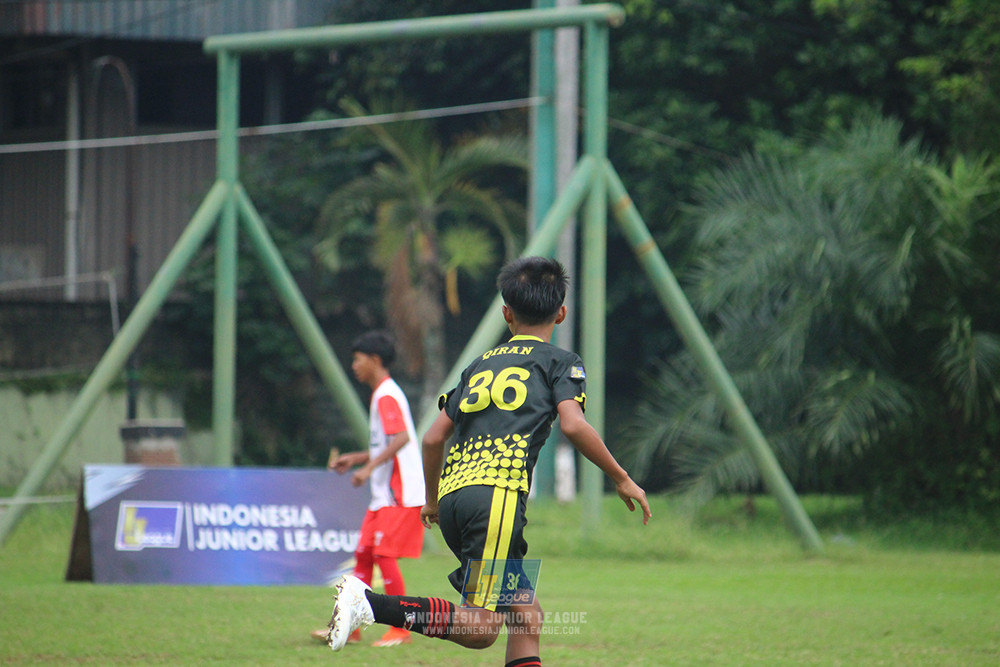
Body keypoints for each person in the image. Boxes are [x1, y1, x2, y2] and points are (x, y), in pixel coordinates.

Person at [323, 257, 652, 666]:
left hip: (456, 496)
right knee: (480, 630)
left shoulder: (479, 366)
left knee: (526, 617)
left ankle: (371, 604)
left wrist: (431, 500)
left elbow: (432, 438)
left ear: (506, 314)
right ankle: (370, 605)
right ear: (561, 312)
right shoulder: (561, 362)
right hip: (496, 500)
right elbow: (573, 425)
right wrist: (621, 478)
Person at [312, 330, 425, 648]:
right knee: (363, 555)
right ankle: (348, 627)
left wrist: (368, 469)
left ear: (375, 360)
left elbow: (402, 438)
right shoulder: (382, 394)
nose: (354, 366)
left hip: (398, 493)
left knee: (384, 555)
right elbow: (388, 444)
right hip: (384, 496)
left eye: (357, 359)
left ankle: (402, 629)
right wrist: (358, 458)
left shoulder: (387, 394)